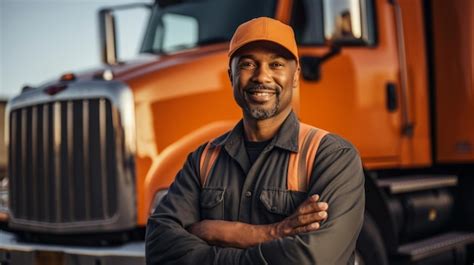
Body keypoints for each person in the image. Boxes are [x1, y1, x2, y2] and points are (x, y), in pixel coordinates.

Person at [146, 17, 365, 265]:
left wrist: (212, 232)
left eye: (276, 64)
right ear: (231, 75)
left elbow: (313, 259)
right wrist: (272, 233)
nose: (262, 76)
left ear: (295, 76)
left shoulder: (332, 156)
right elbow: (159, 246)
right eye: (248, 64)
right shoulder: (203, 159)